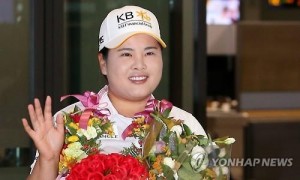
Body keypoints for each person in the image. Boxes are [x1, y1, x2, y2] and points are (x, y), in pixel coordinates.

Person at [22, 5, 206, 180]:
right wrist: (48, 159)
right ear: (103, 63)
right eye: (126, 54)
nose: (139, 64)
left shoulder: (185, 126)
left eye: (150, 53)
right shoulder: (67, 122)